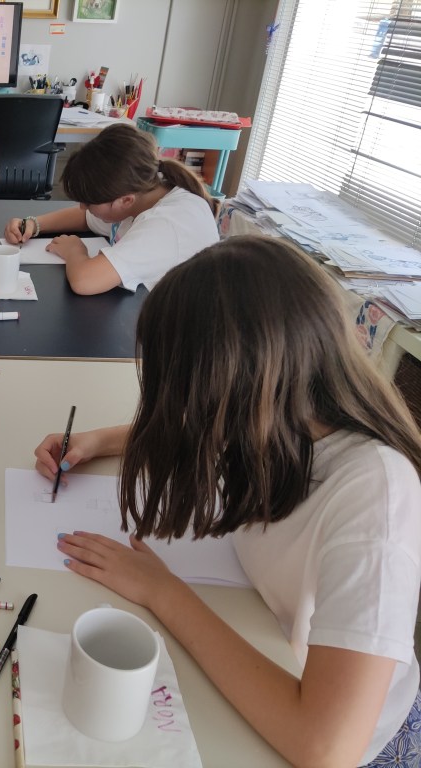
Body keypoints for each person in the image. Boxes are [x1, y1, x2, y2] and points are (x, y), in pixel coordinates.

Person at [34, 236, 421, 767]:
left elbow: (326, 747)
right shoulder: (281, 418)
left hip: (363, 746)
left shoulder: (373, 495)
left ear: (238, 387)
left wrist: (162, 591)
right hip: (265, 635)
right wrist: (97, 441)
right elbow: (197, 426)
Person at [3, 122, 219, 295]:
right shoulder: (143, 191)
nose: (82, 207)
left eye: (89, 202)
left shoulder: (164, 225)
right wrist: (34, 224)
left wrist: (74, 251)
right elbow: (85, 218)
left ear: (125, 200)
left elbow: (84, 281)